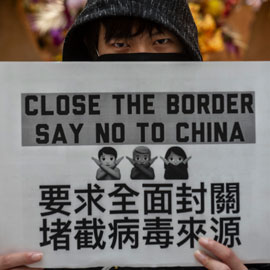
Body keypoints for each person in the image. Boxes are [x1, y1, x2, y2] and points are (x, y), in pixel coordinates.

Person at [1, 0, 268, 270]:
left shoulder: (242, 169)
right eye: (120, 45)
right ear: (94, 55)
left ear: (187, 49)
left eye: (161, 41)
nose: (143, 59)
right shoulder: (42, 166)